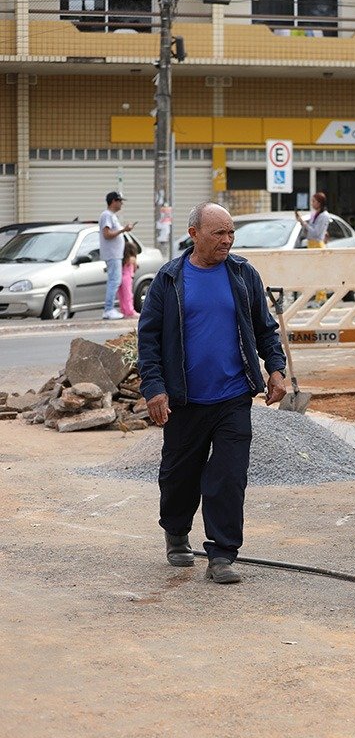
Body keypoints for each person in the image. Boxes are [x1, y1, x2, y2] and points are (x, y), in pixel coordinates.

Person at [137, 202, 288, 584]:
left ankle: (222, 554)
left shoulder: (242, 274)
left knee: (228, 476)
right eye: (219, 233)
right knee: (178, 475)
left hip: (233, 396)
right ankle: (176, 532)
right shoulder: (170, 279)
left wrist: (276, 369)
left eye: (231, 232)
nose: (227, 240)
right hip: (185, 399)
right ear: (194, 234)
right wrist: (154, 389)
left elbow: (265, 329)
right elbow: (149, 339)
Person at [99, 191, 135, 320]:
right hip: (112, 254)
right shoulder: (106, 215)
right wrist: (123, 230)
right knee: (114, 281)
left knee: (115, 280)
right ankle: (108, 309)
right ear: (113, 201)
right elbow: (107, 234)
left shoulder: (112, 216)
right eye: (120, 201)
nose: (122, 204)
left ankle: (110, 309)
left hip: (116, 254)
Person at [117, 238, 139, 319]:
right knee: (128, 295)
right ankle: (130, 311)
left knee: (121, 295)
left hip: (120, 277)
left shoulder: (122, 259)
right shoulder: (132, 259)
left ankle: (123, 310)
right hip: (128, 278)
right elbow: (135, 268)